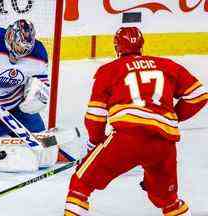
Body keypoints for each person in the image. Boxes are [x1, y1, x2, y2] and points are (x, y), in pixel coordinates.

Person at [64, 26, 207, 215]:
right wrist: (169, 117)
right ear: (141, 45)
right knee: (168, 200)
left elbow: (95, 116)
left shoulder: (109, 70)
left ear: (116, 47)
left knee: (80, 184)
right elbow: (199, 95)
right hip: (163, 144)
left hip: (126, 140)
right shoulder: (167, 65)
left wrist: (95, 145)